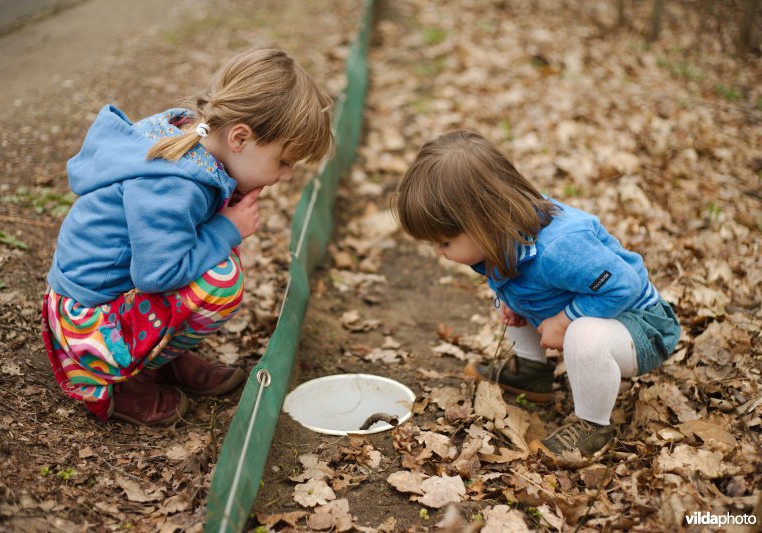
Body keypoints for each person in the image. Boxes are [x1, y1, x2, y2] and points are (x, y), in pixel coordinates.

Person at [42, 48, 333, 425]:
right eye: (283, 161)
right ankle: (126, 378)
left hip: (111, 298)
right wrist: (228, 228)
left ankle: (164, 358)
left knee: (218, 254)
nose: (287, 175)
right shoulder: (173, 185)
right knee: (220, 282)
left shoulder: (191, 138)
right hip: (87, 325)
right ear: (240, 138)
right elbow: (157, 275)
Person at [393, 130, 680, 459]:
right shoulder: (501, 235)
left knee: (584, 336)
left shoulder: (559, 247)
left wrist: (564, 319)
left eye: (445, 242)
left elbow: (623, 284)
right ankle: (532, 373)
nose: (438, 252)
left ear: (483, 223)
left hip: (641, 324)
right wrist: (513, 304)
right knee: (512, 291)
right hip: (599, 308)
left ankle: (593, 425)